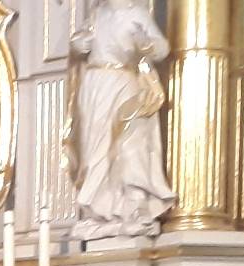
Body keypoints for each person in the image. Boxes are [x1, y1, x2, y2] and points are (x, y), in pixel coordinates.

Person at [65, 0, 176, 240]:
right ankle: (100, 209)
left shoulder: (137, 13)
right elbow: (80, 42)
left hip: (123, 80)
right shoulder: (97, 13)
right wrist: (80, 45)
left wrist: (146, 44)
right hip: (94, 83)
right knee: (94, 145)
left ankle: (134, 201)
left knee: (129, 140)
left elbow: (162, 48)